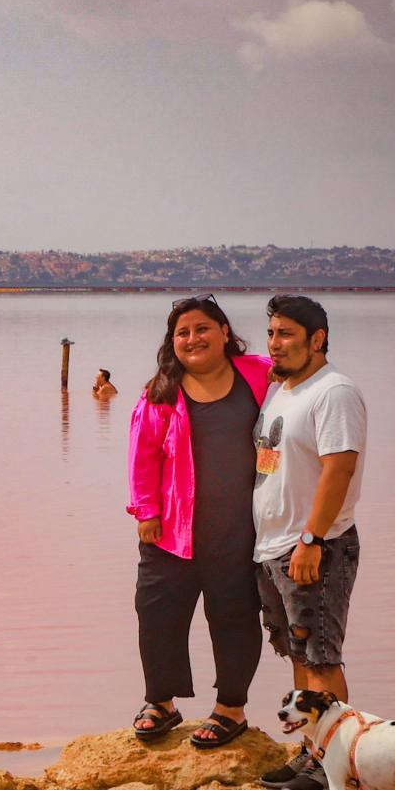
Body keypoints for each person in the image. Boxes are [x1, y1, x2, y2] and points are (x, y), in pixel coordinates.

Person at [127, 295, 274, 748]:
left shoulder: (259, 373)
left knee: (234, 617)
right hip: (172, 529)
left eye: (202, 328)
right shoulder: (161, 392)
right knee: (156, 614)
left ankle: (231, 708)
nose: (193, 338)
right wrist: (145, 511)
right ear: (173, 343)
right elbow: (142, 455)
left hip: (241, 529)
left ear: (224, 332)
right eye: (183, 333)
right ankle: (160, 703)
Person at [253, 295, 366, 790]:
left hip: (315, 544)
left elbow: (338, 468)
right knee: (298, 652)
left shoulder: (334, 392)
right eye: (272, 333)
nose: (275, 344)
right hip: (273, 546)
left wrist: (312, 539)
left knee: (321, 657)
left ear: (317, 339)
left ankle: (335, 764)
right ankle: (311, 751)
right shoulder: (282, 391)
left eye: (286, 334)